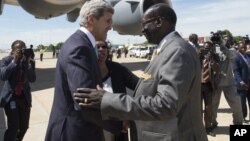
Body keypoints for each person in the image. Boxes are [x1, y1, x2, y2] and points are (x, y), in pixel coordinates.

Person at [74, 4, 208, 141]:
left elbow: (166, 105)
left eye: (144, 24)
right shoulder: (168, 49)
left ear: (158, 22)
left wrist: (106, 99)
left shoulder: (177, 51)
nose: (142, 30)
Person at [45, 1, 116, 141]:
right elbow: (85, 102)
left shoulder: (83, 44)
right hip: (73, 133)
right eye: (107, 21)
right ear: (91, 19)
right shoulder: (80, 48)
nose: (111, 26)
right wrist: (117, 123)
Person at [96, 40, 139, 141]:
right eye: (97, 47)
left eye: (104, 46)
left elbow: (139, 86)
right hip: (96, 126)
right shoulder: (86, 72)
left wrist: (127, 114)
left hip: (119, 126)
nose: (101, 49)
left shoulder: (117, 69)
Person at [0, 40, 36, 141]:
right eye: (19, 50)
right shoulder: (6, 60)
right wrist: (14, 62)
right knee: (13, 127)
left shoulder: (29, 61)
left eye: (23, 49)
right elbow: (3, 76)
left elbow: (32, 79)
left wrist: (28, 63)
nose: (21, 52)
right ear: (13, 51)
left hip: (24, 98)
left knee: (24, 127)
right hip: (11, 98)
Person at [212, 34, 243, 128]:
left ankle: (238, 124)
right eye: (222, 39)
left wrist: (223, 45)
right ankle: (213, 123)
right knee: (213, 106)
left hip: (229, 83)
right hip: (216, 83)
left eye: (226, 39)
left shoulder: (232, 50)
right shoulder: (213, 49)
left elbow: (229, 55)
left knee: (237, 105)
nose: (223, 40)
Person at [199, 41, 220, 137]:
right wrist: (197, 55)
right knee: (197, 108)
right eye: (205, 48)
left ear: (211, 48)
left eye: (208, 48)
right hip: (198, 86)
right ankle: (198, 128)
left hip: (208, 85)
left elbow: (218, 70)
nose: (206, 50)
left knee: (208, 108)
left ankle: (208, 128)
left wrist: (211, 60)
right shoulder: (198, 55)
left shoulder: (215, 56)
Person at [233, 41, 250, 122]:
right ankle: (243, 117)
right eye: (241, 47)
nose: (243, 48)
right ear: (238, 48)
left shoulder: (248, 55)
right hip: (242, 84)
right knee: (242, 103)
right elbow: (236, 72)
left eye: (244, 47)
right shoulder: (236, 58)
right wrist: (241, 82)